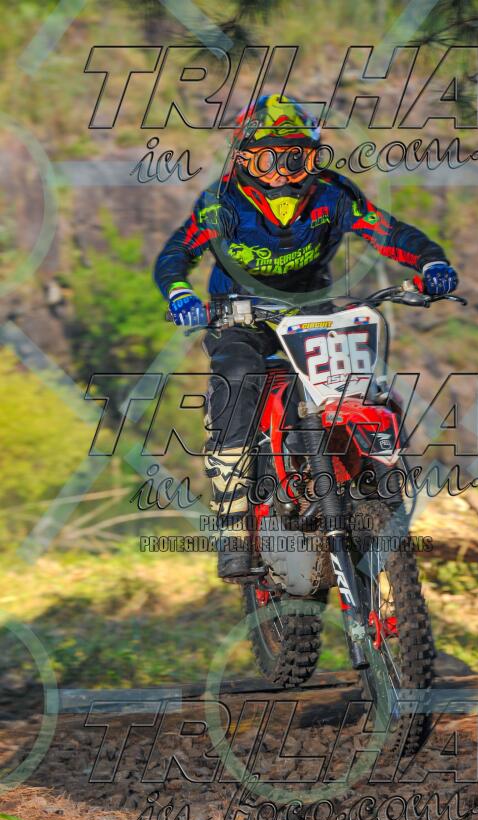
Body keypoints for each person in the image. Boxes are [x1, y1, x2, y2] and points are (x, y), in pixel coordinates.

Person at [154, 93, 458, 582]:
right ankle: (234, 529)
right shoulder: (221, 202)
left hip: (312, 313)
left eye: (296, 157)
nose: (282, 171)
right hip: (240, 318)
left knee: (368, 387)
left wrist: (431, 261)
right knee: (239, 379)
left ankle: (382, 489)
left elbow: (389, 232)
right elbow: (176, 253)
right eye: (268, 158)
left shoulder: (333, 195)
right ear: (244, 158)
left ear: (314, 158)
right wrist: (179, 293)